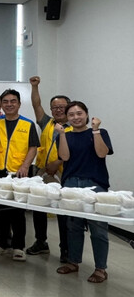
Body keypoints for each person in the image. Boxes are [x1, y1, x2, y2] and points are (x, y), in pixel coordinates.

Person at [56, 102, 113, 283]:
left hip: (95, 184)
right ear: (67, 118)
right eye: (71, 114)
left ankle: (101, 268)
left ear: (87, 114)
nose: (76, 117)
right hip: (71, 183)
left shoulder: (100, 132)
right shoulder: (64, 135)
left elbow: (101, 153)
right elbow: (64, 157)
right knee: (73, 226)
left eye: (79, 113)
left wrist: (95, 131)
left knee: (98, 227)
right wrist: (62, 135)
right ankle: (73, 262)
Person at [0, 89, 39, 261]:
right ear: (1, 104)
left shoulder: (27, 124)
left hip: (19, 172)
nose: (9, 104)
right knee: (0, 210)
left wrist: (25, 166)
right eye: (6, 102)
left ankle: (18, 246)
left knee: (17, 211)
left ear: (19, 104)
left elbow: (33, 147)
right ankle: (1, 243)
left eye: (13, 101)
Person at [26, 76, 71, 261]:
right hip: (41, 171)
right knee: (39, 208)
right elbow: (36, 105)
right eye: (54, 107)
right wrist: (34, 87)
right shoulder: (47, 123)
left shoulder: (75, 127)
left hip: (64, 174)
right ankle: (40, 242)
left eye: (62, 107)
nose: (58, 110)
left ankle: (66, 249)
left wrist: (58, 162)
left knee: (63, 212)